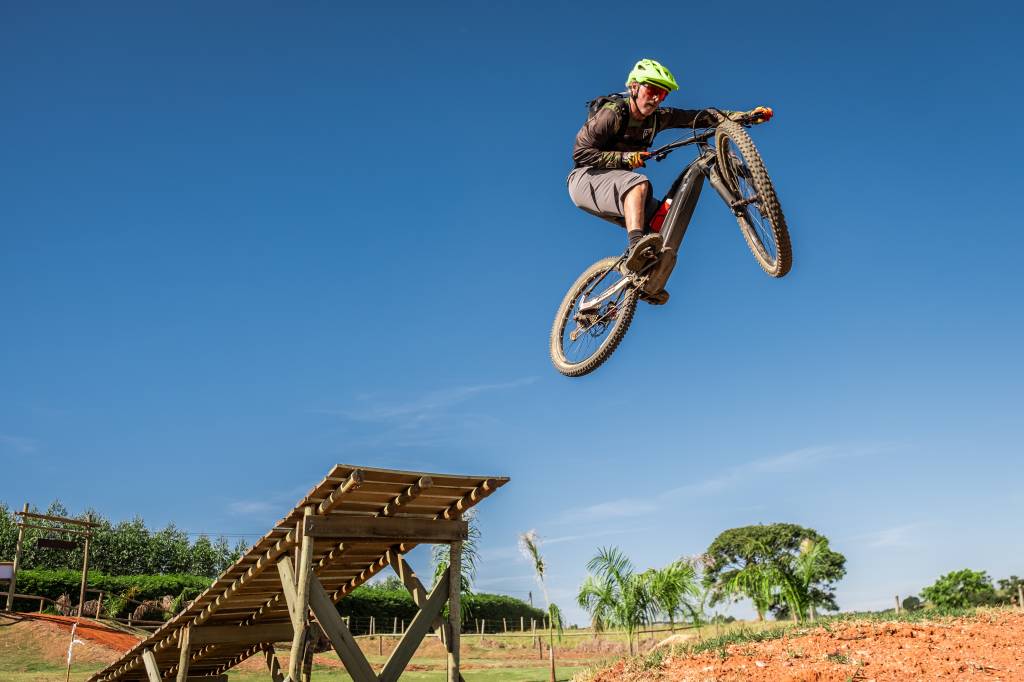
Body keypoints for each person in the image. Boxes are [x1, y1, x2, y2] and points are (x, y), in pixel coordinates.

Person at [568, 58, 772, 304]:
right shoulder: (613, 113)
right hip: (584, 180)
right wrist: (626, 158)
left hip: (613, 186)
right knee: (637, 183)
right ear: (634, 87)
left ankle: (644, 282)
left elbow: (699, 117)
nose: (656, 99)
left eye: (662, 95)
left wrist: (743, 116)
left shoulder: (657, 118)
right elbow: (580, 152)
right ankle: (636, 246)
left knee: (665, 218)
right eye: (652, 91)